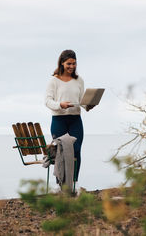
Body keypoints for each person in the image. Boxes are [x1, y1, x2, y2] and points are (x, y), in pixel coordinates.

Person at [45, 50, 93, 188]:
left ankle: (74, 183)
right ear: (62, 63)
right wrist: (60, 104)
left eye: (74, 63)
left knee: (76, 150)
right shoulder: (54, 81)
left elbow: (81, 101)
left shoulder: (79, 80)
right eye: (69, 64)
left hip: (75, 120)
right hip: (59, 120)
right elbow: (47, 101)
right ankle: (60, 185)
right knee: (61, 152)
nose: (72, 66)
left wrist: (88, 105)